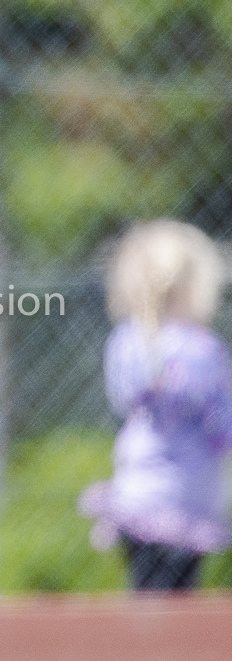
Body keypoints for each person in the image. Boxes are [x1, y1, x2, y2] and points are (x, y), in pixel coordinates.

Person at [80, 220, 232, 590]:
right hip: (185, 496)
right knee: (179, 599)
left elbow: (121, 398)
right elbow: (222, 422)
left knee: (147, 593)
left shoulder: (127, 342)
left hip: (136, 492)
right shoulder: (202, 349)